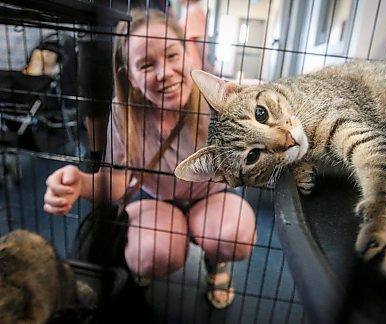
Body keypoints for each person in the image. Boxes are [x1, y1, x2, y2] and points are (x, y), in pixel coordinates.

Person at [43, 9, 256, 309]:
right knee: (150, 254)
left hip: (210, 195)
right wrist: (80, 183)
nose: (164, 72)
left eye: (172, 55)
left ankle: (216, 260)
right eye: (146, 64)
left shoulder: (218, 98)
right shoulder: (123, 109)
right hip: (157, 199)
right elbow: (117, 183)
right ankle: (155, 261)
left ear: (189, 54)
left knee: (234, 235)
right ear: (130, 76)